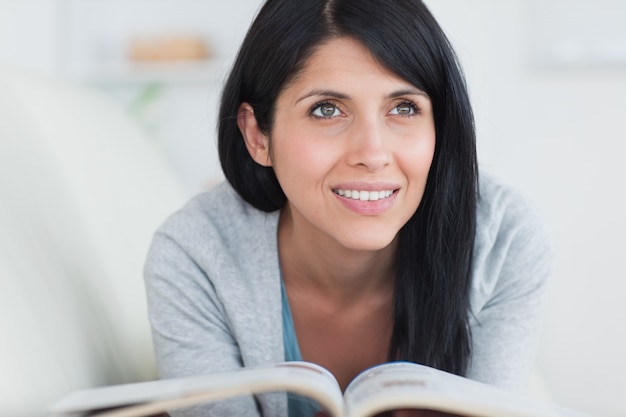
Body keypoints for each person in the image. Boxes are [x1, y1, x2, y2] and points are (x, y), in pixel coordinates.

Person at [143, 0, 553, 416]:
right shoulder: (194, 257)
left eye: (404, 108)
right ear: (257, 136)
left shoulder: (502, 239)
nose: (373, 154)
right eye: (326, 110)